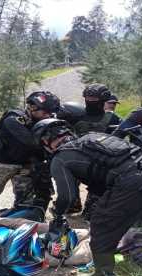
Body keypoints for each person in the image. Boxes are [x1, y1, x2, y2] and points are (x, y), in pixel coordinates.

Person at [35, 119, 142, 276]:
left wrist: (58, 212)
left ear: (46, 142)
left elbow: (67, 197)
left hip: (134, 180)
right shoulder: (94, 137)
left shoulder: (61, 157)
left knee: (102, 223)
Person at [0, 91, 60, 215]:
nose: (48, 115)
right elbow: (29, 141)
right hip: (2, 164)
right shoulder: (14, 118)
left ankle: (19, 220)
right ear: (33, 107)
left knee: (26, 201)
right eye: (46, 112)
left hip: (25, 165)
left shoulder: (42, 120)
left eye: (50, 112)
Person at [58, 84, 122, 215]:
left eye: (94, 99)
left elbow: (119, 140)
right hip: (76, 157)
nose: (91, 101)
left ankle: (89, 209)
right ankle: (72, 204)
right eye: (89, 98)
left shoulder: (113, 119)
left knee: (94, 207)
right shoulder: (74, 114)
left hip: (100, 162)